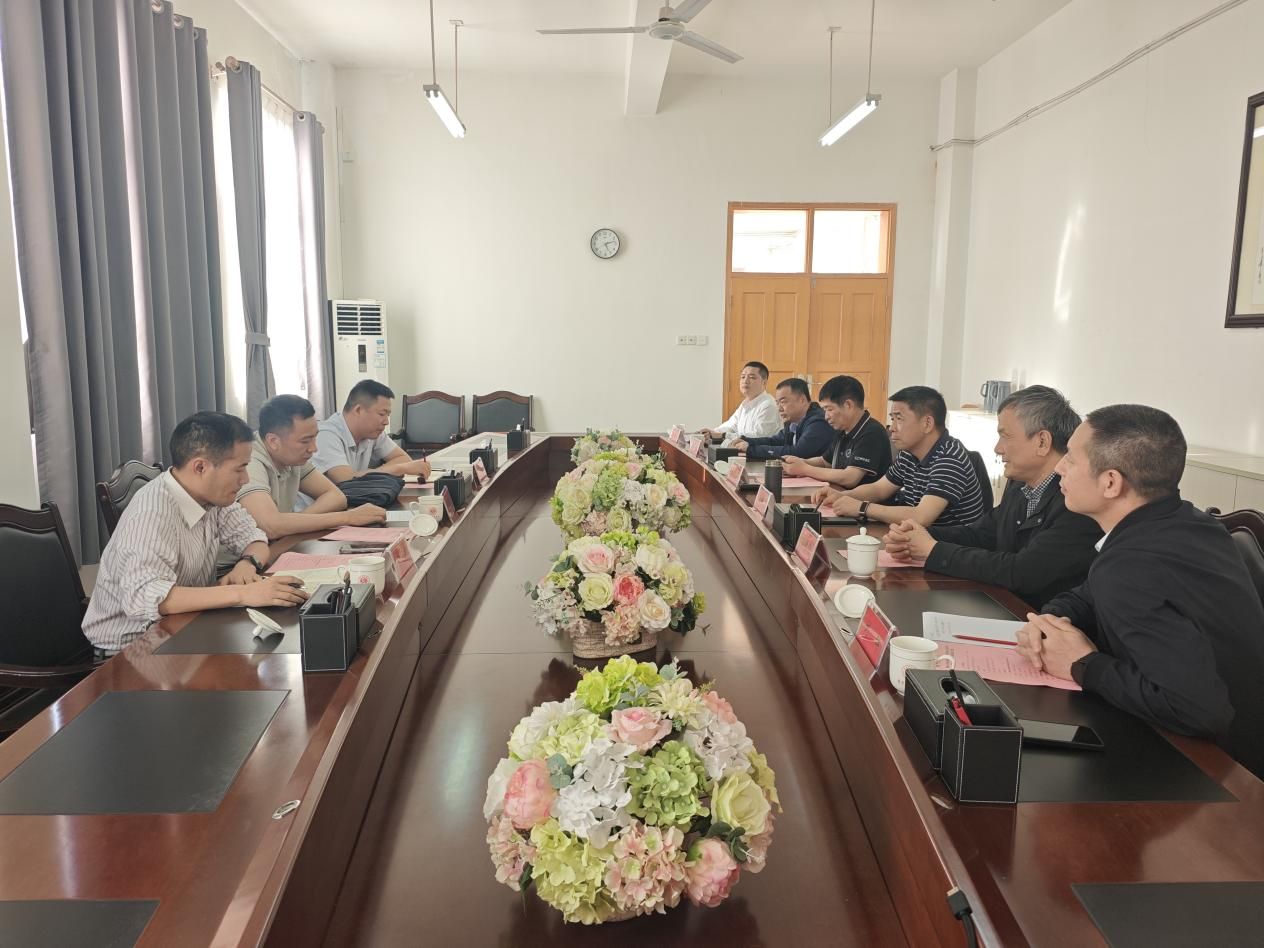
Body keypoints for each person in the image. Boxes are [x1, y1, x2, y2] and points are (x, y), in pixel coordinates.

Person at [1016, 404, 1264, 777]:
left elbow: (1198, 709)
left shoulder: (1132, 563)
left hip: (1220, 772)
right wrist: (1049, 622)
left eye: (1071, 459)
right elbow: (1087, 594)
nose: (1059, 467)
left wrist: (1083, 664)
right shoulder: (1185, 522)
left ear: (1111, 483)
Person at [83, 412, 308, 655]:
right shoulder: (153, 512)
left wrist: (247, 564)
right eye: (239, 469)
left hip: (184, 625)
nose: (245, 479)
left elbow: (255, 538)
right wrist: (243, 593)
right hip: (132, 648)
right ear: (200, 467)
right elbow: (144, 598)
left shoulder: (211, 496)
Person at [884, 385, 1102, 606]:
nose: (998, 448)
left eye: (1005, 436)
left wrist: (933, 550)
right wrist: (918, 535)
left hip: (1039, 616)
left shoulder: (1076, 503)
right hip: (1001, 602)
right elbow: (982, 534)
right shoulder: (1020, 484)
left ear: (1042, 442)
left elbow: (1023, 571)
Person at [816, 385, 985, 527]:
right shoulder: (909, 453)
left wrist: (862, 508)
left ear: (927, 423)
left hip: (950, 547)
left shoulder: (949, 459)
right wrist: (842, 496)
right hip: (917, 539)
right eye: (892, 419)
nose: (892, 428)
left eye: (899, 419)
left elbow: (921, 516)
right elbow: (879, 489)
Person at [237, 394, 388, 540]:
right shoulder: (248, 461)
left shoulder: (292, 457)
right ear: (273, 441)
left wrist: (293, 523)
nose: (313, 448)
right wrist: (348, 517)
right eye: (305, 441)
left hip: (277, 543)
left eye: (315, 437)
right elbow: (270, 526)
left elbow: (336, 497)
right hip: (246, 555)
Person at [299, 380, 431, 509]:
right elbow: (345, 479)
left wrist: (393, 469)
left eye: (388, 415)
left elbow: (403, 459)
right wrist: (399, 469)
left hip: (351, 506)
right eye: (382, 414)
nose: (386, 422)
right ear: (358, 410)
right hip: (316, 515)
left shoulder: (372, 432)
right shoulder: (326, 434)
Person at [781, 374, 891, 489]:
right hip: (838, 494)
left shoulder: (872, 432)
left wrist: (805, 469)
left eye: (829, 409)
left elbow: (850, 478)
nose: (826, 417)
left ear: (848, 405)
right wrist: (798, 462)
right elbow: (825, 462)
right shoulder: (843, 429)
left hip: (861, 499)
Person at [730, 377, 834, 461]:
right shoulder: (793, 421)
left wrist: (751, 449)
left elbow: (797, 452)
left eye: (783, 402)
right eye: (777, 403)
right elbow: (775, 441)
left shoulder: (818, 422)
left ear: (802, 400)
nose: (779, 408)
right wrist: (747, 441)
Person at [701, 361, 781, 444]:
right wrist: (711, 432)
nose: (745, 381)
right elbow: (731, 425)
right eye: (743, 377)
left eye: (752, 377)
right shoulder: (745, 404)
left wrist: (723, 435)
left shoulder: (768, 405)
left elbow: (759, 436)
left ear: (764, 382)